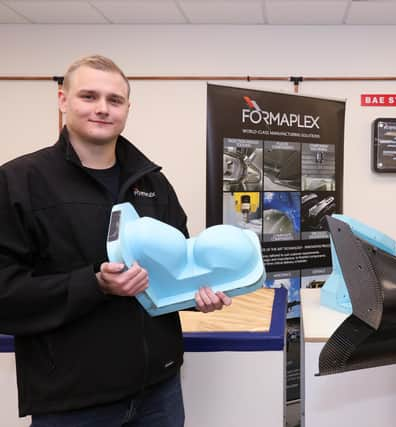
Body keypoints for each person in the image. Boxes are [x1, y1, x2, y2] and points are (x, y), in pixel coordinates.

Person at [0, 55, 231, 426]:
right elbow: (5, 294)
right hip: (73, 402)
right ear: (63, 100)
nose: (103, 109)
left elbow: (177, 267)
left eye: (115, 100)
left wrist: (197, 296)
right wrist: (94, 284)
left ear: (127, 108)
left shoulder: (152, 183)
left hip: (158, 392)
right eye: (89, 97)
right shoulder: (19, 182)